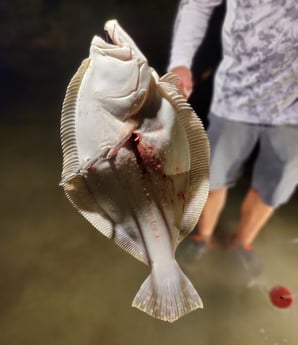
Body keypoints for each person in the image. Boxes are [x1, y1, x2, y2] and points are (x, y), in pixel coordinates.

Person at [168, 0, 298, 269]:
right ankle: (204, 237)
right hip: (234, 97)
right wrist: (180, 62)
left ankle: (242, 242)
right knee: (213, 178)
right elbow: (197, 5)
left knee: (274, 189)